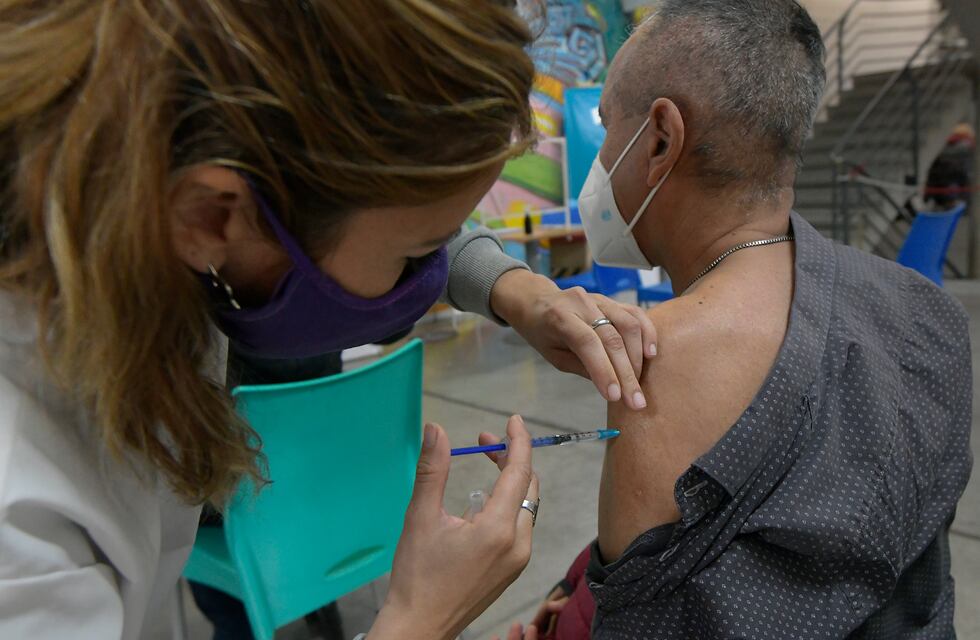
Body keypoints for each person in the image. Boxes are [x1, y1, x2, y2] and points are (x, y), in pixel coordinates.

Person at [0, 2, 663, 639]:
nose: (428, 274)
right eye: (415, 252)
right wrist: (419, 619)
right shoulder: (24, 519)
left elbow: (373, 210)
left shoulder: (164, 197)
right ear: (210, 215)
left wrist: (520, 291)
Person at [506, 1, 974, 638]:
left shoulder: (659, 363)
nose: (601, 158)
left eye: (609, 125)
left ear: (660, 139)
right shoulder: (928, 311)